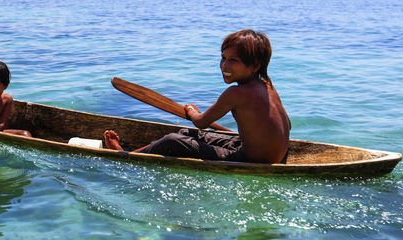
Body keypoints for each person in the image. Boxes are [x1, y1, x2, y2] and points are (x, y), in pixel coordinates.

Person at [104, 29, 290, 164]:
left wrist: (192, 111)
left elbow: (201, 122)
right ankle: (144, 151)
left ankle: (126, 157)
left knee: (172, 141)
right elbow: (286, 124)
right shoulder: (268, 86)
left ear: (255, 65)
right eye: (223, 58)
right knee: (187, 134)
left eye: (233, 60)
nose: (224, 66)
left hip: (252, 159)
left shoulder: (236, 93)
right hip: (277, 155)